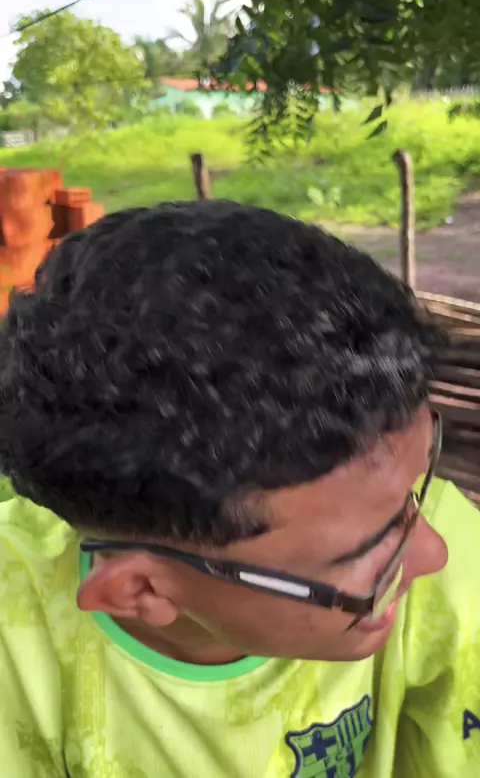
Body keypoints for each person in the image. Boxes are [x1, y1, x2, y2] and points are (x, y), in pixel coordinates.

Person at [0, 201, 478, 778]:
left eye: (421, 481)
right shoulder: (17, 645)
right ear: (141, 591)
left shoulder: (456, 570)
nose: (434, 552)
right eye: (367, 557)